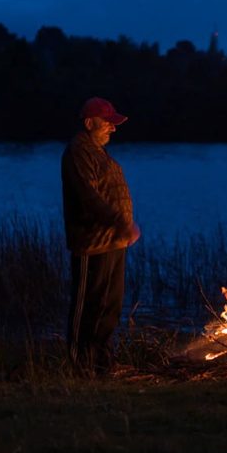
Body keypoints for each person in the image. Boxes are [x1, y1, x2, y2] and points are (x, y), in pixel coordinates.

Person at [61, 97, 140, 375]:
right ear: (89, 122)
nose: (113, 128)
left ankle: (102, 363)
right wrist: (122, 222)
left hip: (113, 242)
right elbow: (89, 196)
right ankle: (79, 365)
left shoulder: (97, 151)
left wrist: (124, 226)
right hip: (92, 244)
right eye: (107, 122)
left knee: (109, 307)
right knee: (88, 306)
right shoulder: (78, 152)